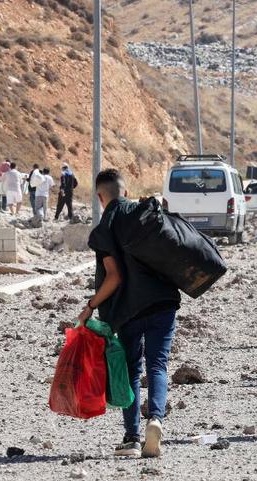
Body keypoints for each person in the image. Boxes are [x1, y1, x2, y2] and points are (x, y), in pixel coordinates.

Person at [82, 169, 181, 459]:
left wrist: (90, 306)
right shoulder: (146, 213)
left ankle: (132, 438)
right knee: (158, 366)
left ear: (101, 197)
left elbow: (113, 277)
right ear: (124, 191)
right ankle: (156, 420)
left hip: (128, 310)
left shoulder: (105, 227)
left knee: (131, 371)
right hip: (163, 302)